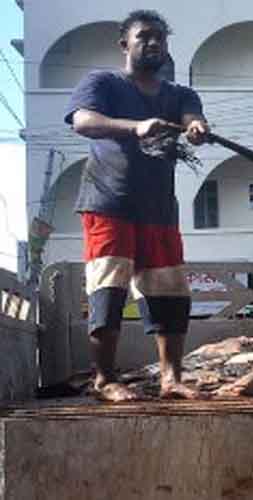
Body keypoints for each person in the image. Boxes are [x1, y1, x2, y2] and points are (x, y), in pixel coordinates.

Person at [65, 10, 210, 400]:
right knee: (108, 291)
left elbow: (191, 115)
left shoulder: (178, 93)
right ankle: (104, 380)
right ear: (124, 44)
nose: (153, 44)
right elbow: (83, 121)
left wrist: (196, 127)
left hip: (159, 209)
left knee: (170, 293)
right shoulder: (103, 83)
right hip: (108, 201)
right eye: (144, 36)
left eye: (160, 38)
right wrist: (136, 126)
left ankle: (171, 379)